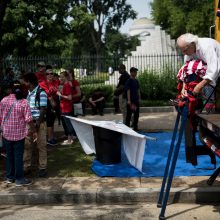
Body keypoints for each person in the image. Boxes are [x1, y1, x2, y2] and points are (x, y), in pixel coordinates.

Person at [0, 82, 37, 186]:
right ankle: (19, 179)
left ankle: (9, 177)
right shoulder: (24, 102)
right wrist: (34, 131)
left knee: (9, 155)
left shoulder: (4, 100)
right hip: (19, 134)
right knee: (18, 156)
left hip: (6, 133)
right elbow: (29, 119)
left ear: (10, 90)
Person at [22, 73, 48, 177]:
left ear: (29, 82)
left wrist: (36, 126)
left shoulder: (41, 93)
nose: (24, 83)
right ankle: (26, 166)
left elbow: (43, 110)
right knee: (27, 145)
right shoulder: (28, 93)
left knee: (41, 146)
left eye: (25, 81)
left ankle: (42, 168)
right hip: (29, 124)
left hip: (38, 123)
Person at [39, 68, 59, 146]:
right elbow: (47, 95)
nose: (50, 75)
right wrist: (52, 101)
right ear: (45, 75)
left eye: (52, 73)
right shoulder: (43, 83)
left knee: (53, 120)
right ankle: (50, 139)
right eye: (48, 74)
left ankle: (52, 136)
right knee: (49, 121)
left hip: (55, 103)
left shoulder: (56, 82)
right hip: (48, 103)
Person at [57, 70, 75, 145]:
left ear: (66, 77)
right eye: (60, 77)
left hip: (66, 108)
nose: (60, 78)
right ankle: (69, 138)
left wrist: (60, 95)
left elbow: (70, 98)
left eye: (62, 77)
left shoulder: (67, 85)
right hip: (64, 107)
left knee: (68, 124)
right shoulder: (66, 85)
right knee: (67, 123)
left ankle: (70, 140)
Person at [125, 67, 141, 131]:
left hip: (136, 101)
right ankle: (126, 128)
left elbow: (138, 90)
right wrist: (129, 100)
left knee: (136, 115)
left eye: (136, 72)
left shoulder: (136, 81)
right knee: (129, 115)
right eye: (134, 72)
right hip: (131, 102)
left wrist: (139, 98)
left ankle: (135, 127)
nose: (135, 73)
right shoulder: (129, 81)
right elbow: (128, 90)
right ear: (131, 72)